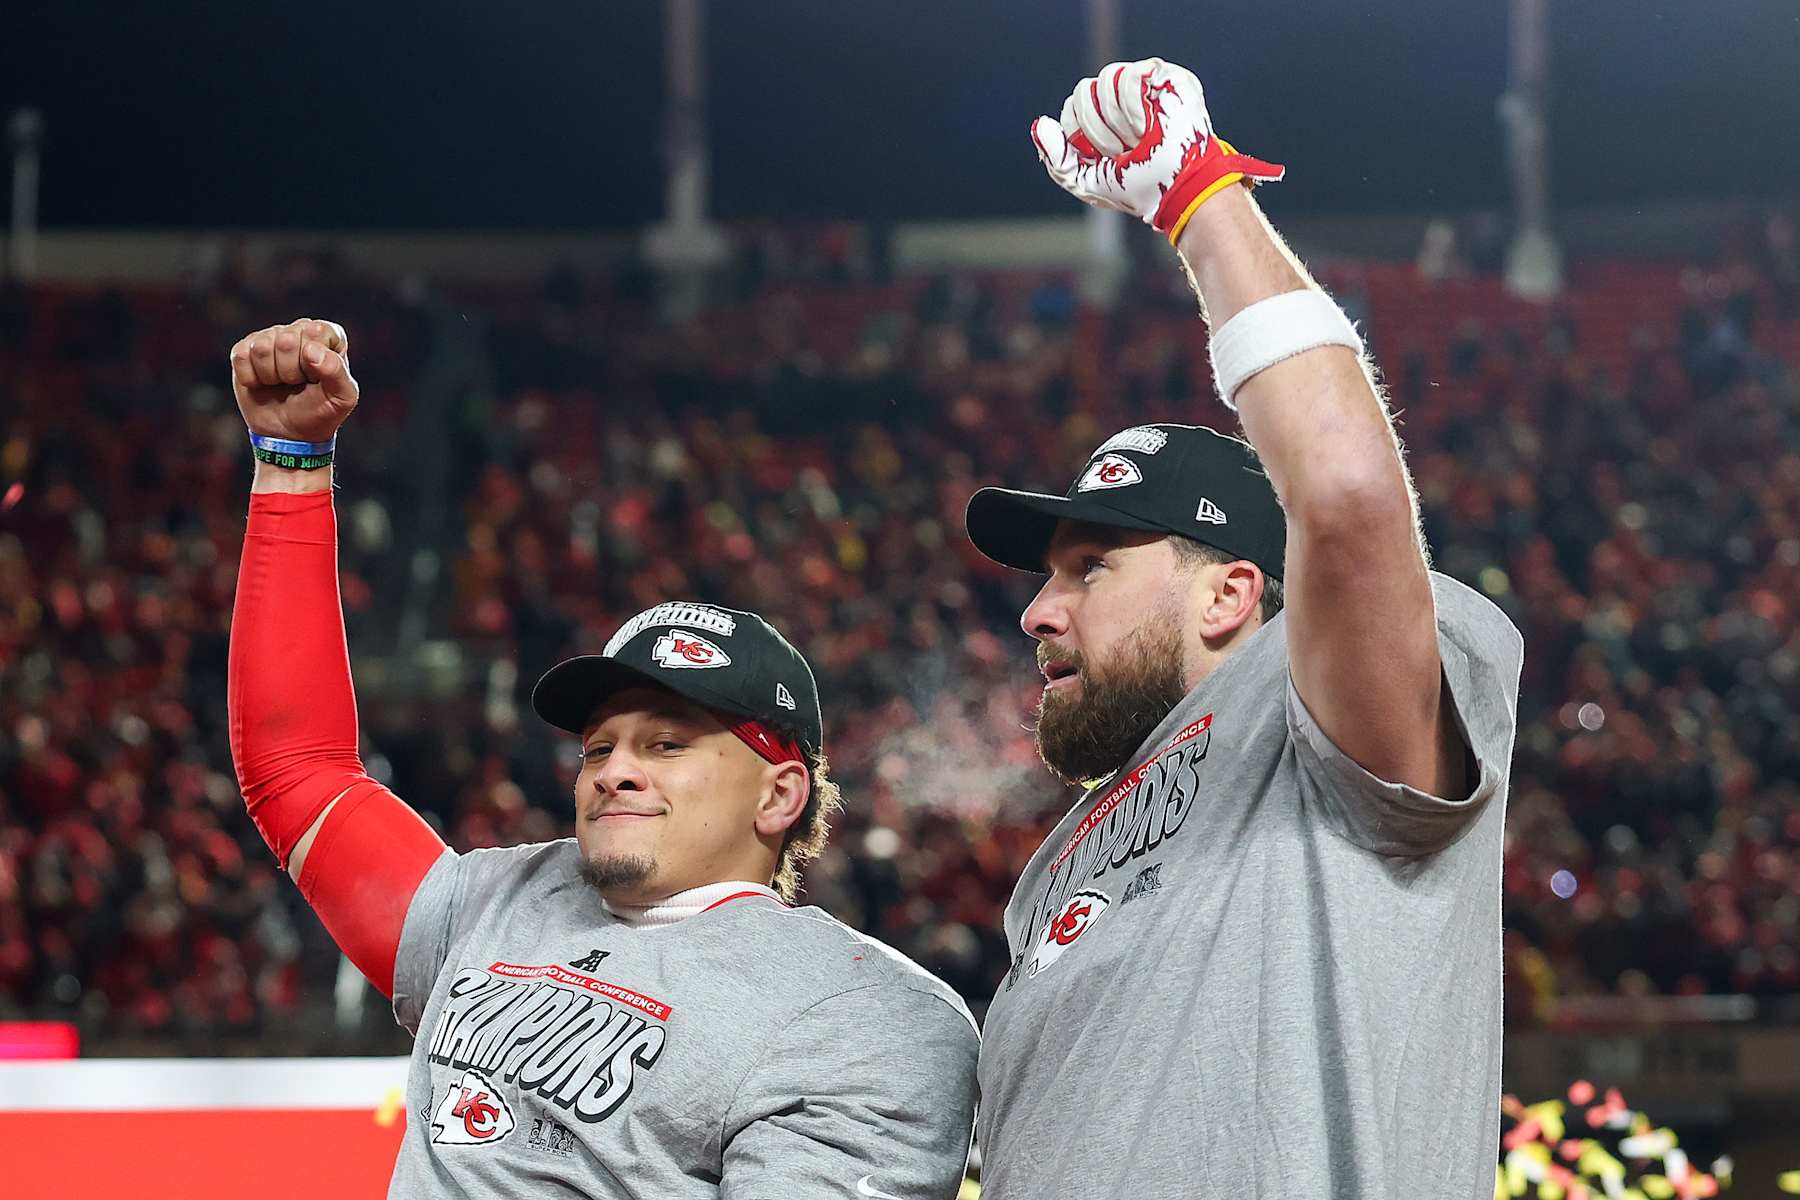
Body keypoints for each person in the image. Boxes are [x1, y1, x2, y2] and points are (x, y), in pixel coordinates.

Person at [226, 318, 978, 1198]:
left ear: (779, 794)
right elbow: (297, 767)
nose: (615, 770)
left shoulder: (866, 1015)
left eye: (667, 743)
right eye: (599, 746)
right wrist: (290, 462)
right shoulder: (493, 902)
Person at [964, 59, 1525, 1197]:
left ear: (1230, 595)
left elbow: (1347, 498)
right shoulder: (1054, 868)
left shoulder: (1311, 722)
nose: (1038, 610)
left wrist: (1198, 196)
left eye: (1091, 569)